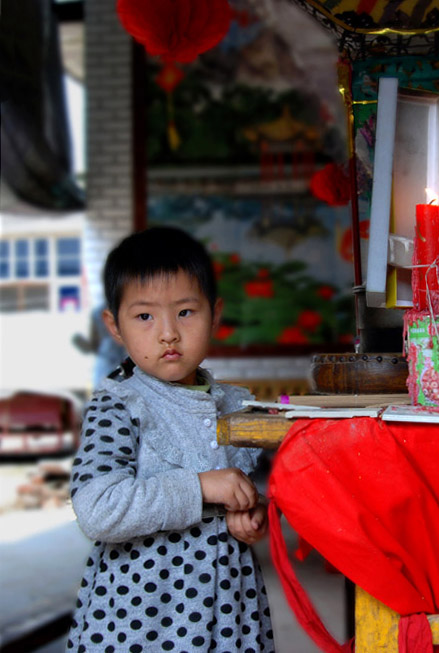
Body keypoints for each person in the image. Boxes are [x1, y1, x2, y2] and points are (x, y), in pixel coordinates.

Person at [67, 227, 274, 652]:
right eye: (145, 316)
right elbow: (97, 510)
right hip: (141, 622)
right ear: (115, 326)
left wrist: (257, 512)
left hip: (226, 616)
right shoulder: (120, 405)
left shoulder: (236, 406)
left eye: (185, 312)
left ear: (214, 314)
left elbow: (268, 486)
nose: (168, 334)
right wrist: (198, 487)